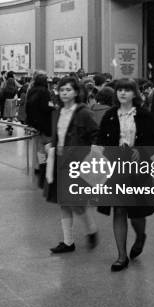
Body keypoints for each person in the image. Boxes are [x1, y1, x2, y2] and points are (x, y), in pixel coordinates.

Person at [97, 78, 154, 271]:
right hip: (115, 167)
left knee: (137, 212)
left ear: (135, 93)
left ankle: (141, 236)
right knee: (120, 209)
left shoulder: (143, 115)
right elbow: (100, 140)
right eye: (119, 90)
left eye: (127, 90)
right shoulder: (109, 115)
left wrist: (141, 151)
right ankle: (121, 256)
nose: (122, 93)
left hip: (138, 169)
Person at [45, 76, 99, 254]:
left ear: (76, 92)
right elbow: (58, 135)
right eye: (61, 90)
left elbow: (95, 135)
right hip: (59, 162)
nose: (64, 93)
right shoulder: (58, 111)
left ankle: (91, 229)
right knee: (64, 203)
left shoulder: (84, 112)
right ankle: (68, 242)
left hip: (76, 163)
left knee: (76, 203)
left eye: (68, 90)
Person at [25, 71, 54, 187]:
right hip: (44, 122)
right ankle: (45, 166)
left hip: (33, 122)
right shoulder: (44, 91)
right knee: (46, 145)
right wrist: (53, 106)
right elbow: (45, 107)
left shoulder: (31, 90)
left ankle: (39, 165)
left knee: (38, 147)